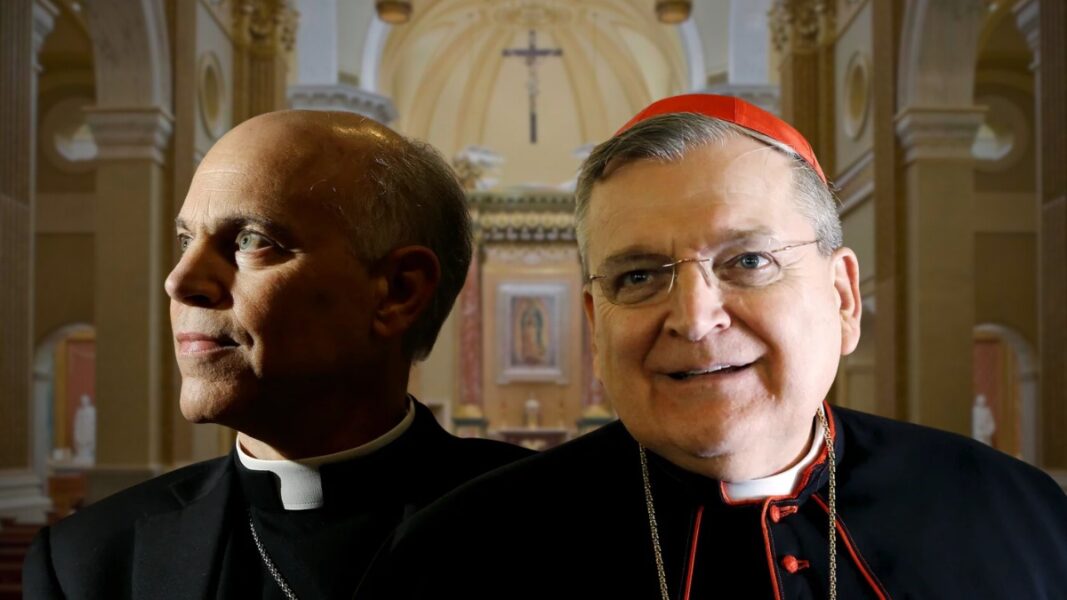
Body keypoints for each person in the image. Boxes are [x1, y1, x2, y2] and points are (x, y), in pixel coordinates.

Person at [357, 94, 1067, 599]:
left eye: (748, 261)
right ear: (594, 323)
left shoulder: (1018, 515)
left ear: (842, 298)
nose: (694, 320)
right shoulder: (455, 555)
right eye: (638, 276)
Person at [22, 110, 531, 599]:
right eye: (185, 241)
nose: (179, 282)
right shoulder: (88, 562)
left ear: (397, 291)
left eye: (250, 240)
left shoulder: (557, 528)